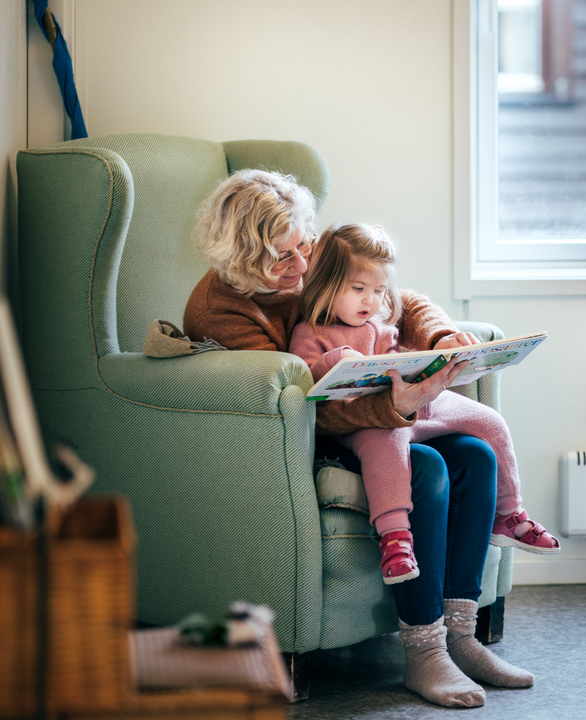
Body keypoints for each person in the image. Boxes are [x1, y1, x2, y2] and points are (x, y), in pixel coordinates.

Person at [183, 169, 535, 708]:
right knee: (430, 470)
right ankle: (423, 649)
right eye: (282, 258)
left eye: (304, 245)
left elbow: (400, 298)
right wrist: (393, 407)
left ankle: (460, 637)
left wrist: (441, 337)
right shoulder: (221, 311)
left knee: (474, 455)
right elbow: (296, 411)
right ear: (242, 260)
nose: (303, 267)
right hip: (298, 444)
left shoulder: (309, 252)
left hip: (374, 416)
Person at [289, 223, 559, 586]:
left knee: (489, 422)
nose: (370, 301)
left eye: (379, 290)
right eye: (358, 289)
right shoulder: (310, 332)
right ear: (326, 284)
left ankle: (509, 514)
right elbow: (309, 382)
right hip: (368, 423)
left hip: (419, 404)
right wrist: (337, 359)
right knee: (390, 442)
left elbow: (406, 336)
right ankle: (395, 537)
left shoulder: (382, 321)